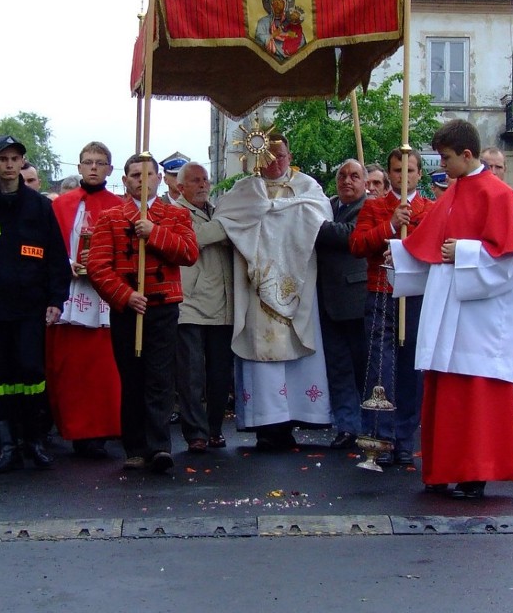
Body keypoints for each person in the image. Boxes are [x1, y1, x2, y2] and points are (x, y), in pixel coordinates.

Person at [390, 119, 513, 498]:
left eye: (446, 158)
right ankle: (442, 470)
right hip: (448, 310)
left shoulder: (501, 195)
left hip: (480, 318)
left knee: (476, 394)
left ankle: (476, 473)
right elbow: (429, 248)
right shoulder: (453, 192)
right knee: (445, 391)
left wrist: (466, 252)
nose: (442, 166)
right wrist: (399, 254)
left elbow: (511, 262)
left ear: (468, 154)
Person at [0, 138, 72, 472]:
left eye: (14, 158)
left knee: (32, 373)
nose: (8, 164)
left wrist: (55, 300)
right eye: (2, 158)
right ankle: (6, 445)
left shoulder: (39, 207)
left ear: (22, 163)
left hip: (29, 308)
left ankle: (33, 440)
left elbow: (55, 259)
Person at [214, 131, 332, 451]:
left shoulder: (307, 188)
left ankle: (299, 414)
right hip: (258, 287)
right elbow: (225, 219)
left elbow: (320, 217)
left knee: (296, 347)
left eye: (280, 156)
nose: (274, 162)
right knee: (262, 353)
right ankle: (267, 423)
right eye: (268, 157)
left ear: (290, 157)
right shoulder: (244, 191)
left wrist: (273, 213)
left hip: (296, 285)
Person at [87, 153, 198, 472]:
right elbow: (97, 266)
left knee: (160, 377)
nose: (142, 180)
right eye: (135, 175)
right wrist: (125, 295)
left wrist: (154, 233)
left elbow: (189, 253)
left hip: (163, 306)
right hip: (127, 309)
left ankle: (160, 445)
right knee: (132, 376)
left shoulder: (174, 215)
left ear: (159, 179)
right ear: (124, 181)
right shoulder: (109, 217)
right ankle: (135, 447)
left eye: (149, 174)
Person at [349, 147, 433, 464]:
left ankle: (404, 438)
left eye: (409, 170)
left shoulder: (429, 208)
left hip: (415, 295)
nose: (403, 176)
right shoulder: (374, 207)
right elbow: (357, 245)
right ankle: (380, 439)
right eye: (397, 170)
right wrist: (389, 227)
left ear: (419, 174)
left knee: (412, 367)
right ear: (389, 174)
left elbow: (435, 246)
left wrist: (405, 247)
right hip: (381, 292)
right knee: (380, 368)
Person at [46, 142, 121, 459]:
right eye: (87, 162)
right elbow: (48, 247)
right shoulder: (60, 205)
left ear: (109, 170)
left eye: (100, 163)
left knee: (103, 368)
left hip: (104, 295)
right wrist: (68, 267)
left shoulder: (120, 206)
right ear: (78, 167)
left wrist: (99, 268)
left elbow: (126, 250)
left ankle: (100, 432)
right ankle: (73, 429)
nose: (93, 167)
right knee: (70, 367)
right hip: (69, 293)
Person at [175, 162, 234, 451]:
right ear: (180, 186)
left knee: (220, 374)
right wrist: (227, 225)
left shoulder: (217, 211)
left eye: (205, 179)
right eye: (195, 180)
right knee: (192, 375)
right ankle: (196, 433)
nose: (202, 185)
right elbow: (195, 239)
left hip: (224, 306)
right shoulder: (176, 212)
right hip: (192, 304)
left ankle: (214, 428)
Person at [315, 159, 368, 448]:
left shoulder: (368, 207)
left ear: (363, 182)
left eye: (354, 176)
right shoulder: (328, 204)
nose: (347, 181)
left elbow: (351, 236)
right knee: (337, 367)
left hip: (356, 300)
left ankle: (368, 424)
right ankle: (346, 426)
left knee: (362, 366)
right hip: (326, 299)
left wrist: (315, 227)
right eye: (342, 176)